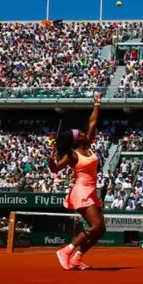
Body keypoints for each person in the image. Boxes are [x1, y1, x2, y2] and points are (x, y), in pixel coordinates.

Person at [50, 93, 106, 270]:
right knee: (96, 225)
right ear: (76, 139)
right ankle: (66, 251)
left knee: (101, 229)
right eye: (80, 133)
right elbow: (56, 169)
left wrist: (96, 103)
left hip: (92, 190)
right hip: (81, 192)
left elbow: (92, 123)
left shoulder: (88, 144)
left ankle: (77, 258)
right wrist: (50, 162)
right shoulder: (72, 155)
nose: (83, 132)